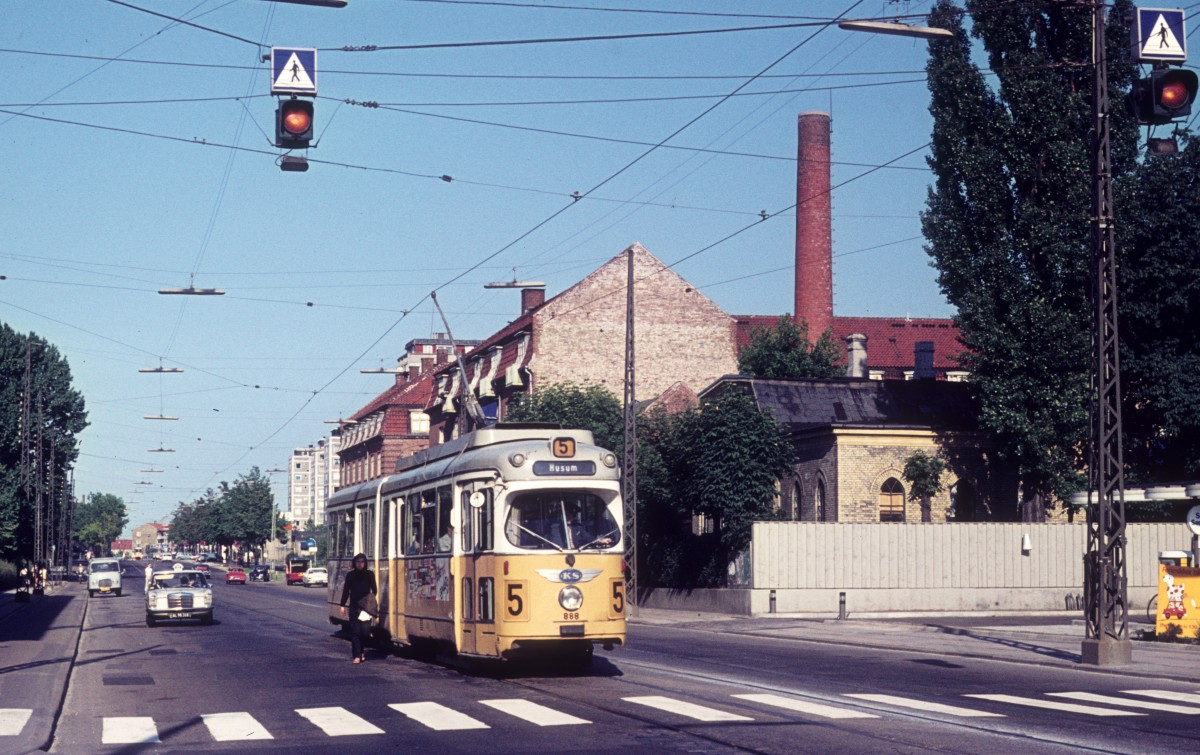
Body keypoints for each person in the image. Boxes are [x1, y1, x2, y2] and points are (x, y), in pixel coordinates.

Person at [338, 553, 377, 664]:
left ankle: (361, 650)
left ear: (365, 563)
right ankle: (356, 655)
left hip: (365, 607)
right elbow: (346, 591)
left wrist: (369, 601)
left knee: (365, 632)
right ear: (354, 563)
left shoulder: (370, 574)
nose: (360, 564)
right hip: (354, 606)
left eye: (362, 562)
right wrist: (342, 605)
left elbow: (375, 590)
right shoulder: (350, 575)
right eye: (358, 562)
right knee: (355, 632)